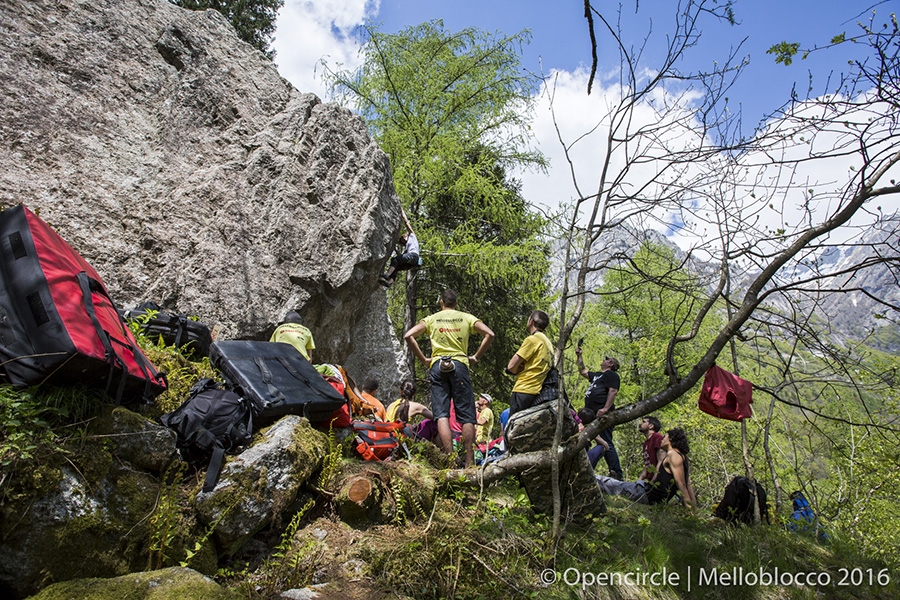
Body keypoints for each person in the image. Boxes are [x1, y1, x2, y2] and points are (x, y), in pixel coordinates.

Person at [404, 289, 494, 468]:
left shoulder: (432, 319)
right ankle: (469, 461)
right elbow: (489, 334)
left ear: (441, 303)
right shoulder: (466, 318)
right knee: (467, 415)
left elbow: (409, 336)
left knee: (441, 414)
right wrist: (475, 357)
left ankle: (449, 460)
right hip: (460, 364)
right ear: (456, 304)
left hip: (438, 365)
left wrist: (424, 360)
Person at [595, 427, 697, 511]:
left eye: (665, 437)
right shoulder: (683, 457)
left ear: (671, 440)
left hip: (647, 495)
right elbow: (687, 484)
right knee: (615, 484)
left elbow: (682, 485)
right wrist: (694, 508)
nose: (662, 439)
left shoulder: (672, 454)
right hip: (649, 491)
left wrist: (689, 511)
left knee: (604, 482)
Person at [575, 347, 622, 479]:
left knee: (605, 439)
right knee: (586, 437)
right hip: (590, 414)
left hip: (602, 414)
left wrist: (606, 408)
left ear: (611, 364)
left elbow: (613, 391)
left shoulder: (611, 375)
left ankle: (616, 472)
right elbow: (583, 371)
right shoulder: (597, 375)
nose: (603, 360)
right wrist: (579, 356)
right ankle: (584, 465)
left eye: (606, 359)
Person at [506, 310, 554, 416]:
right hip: (538, 392)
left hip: (523, 389)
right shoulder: (548, 343)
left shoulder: (533, 340)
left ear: (531, 321)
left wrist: (516, 369)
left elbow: (511, 367)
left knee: (514, 428)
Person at [379, 223, 419, 288]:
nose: (404, 241)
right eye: (403, 242)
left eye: (403, 239)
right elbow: (402, 257)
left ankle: (387, 275)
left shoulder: (412, 235)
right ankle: (389, 283)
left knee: (395, 260)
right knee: (396, 267)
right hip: (412, 263)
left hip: (413, 256)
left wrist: (402, 213)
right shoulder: (408, 247)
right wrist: (395, 249)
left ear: (405, 236)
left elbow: (406, 223)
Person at [637, 416, 665, 482]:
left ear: (651, 426)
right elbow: (648, 465)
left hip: (660, 481)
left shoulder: (657, 437)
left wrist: (654, 481)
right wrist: (639, 480)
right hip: (651, 481)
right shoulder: (645, 444)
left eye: (644, 422)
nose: (640, 424)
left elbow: (661, 461)